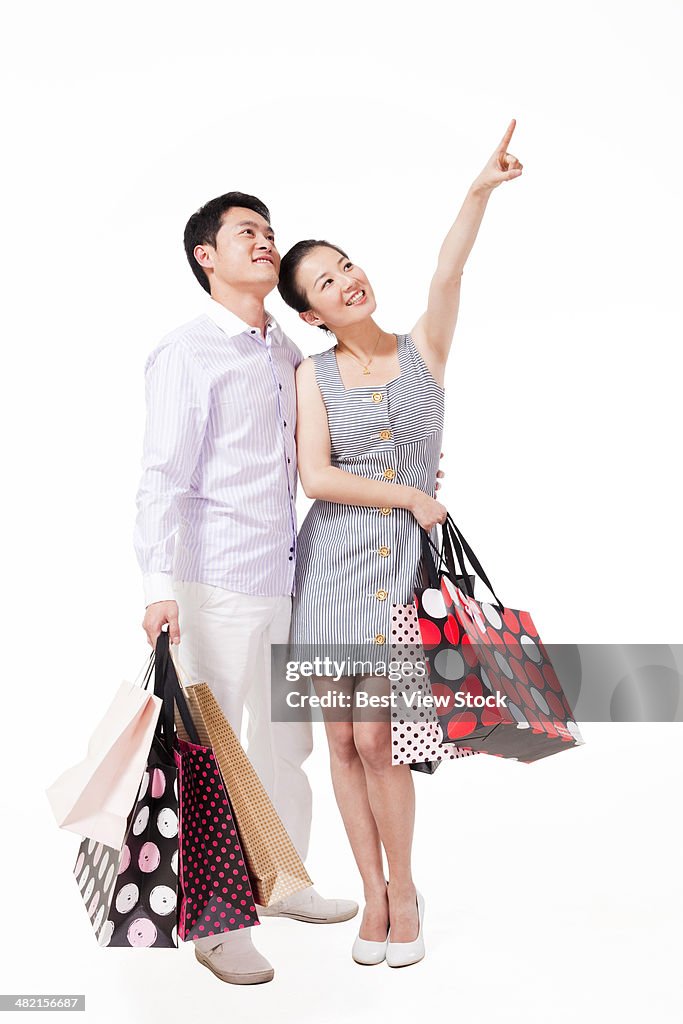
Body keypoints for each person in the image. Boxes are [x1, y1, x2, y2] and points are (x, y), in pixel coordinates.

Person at [277, 120, 523, 968]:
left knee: (381, 739)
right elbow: (316, 479)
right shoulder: (311, 377)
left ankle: (405, 887)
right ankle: (369, 896)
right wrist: (411, 493)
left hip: (400, 579)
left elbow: (447, 270)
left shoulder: (425, 351)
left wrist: (476, 192)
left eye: (346, 264)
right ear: (308, 313)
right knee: (340, 742)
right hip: (331, 570)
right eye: (325, 281)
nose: (347, 281)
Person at [133, 191, 360, 986]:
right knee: (212, 749)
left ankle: (285, 879)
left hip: (287, 577)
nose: (265, 243)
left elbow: (315, 461)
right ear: (206, 257)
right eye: (246, 234)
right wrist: (159, 585)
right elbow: (161, 476)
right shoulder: (187, 352)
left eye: (269, 232)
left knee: (284, 743)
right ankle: (217, 921)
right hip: (213, 583)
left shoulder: (285, 353)